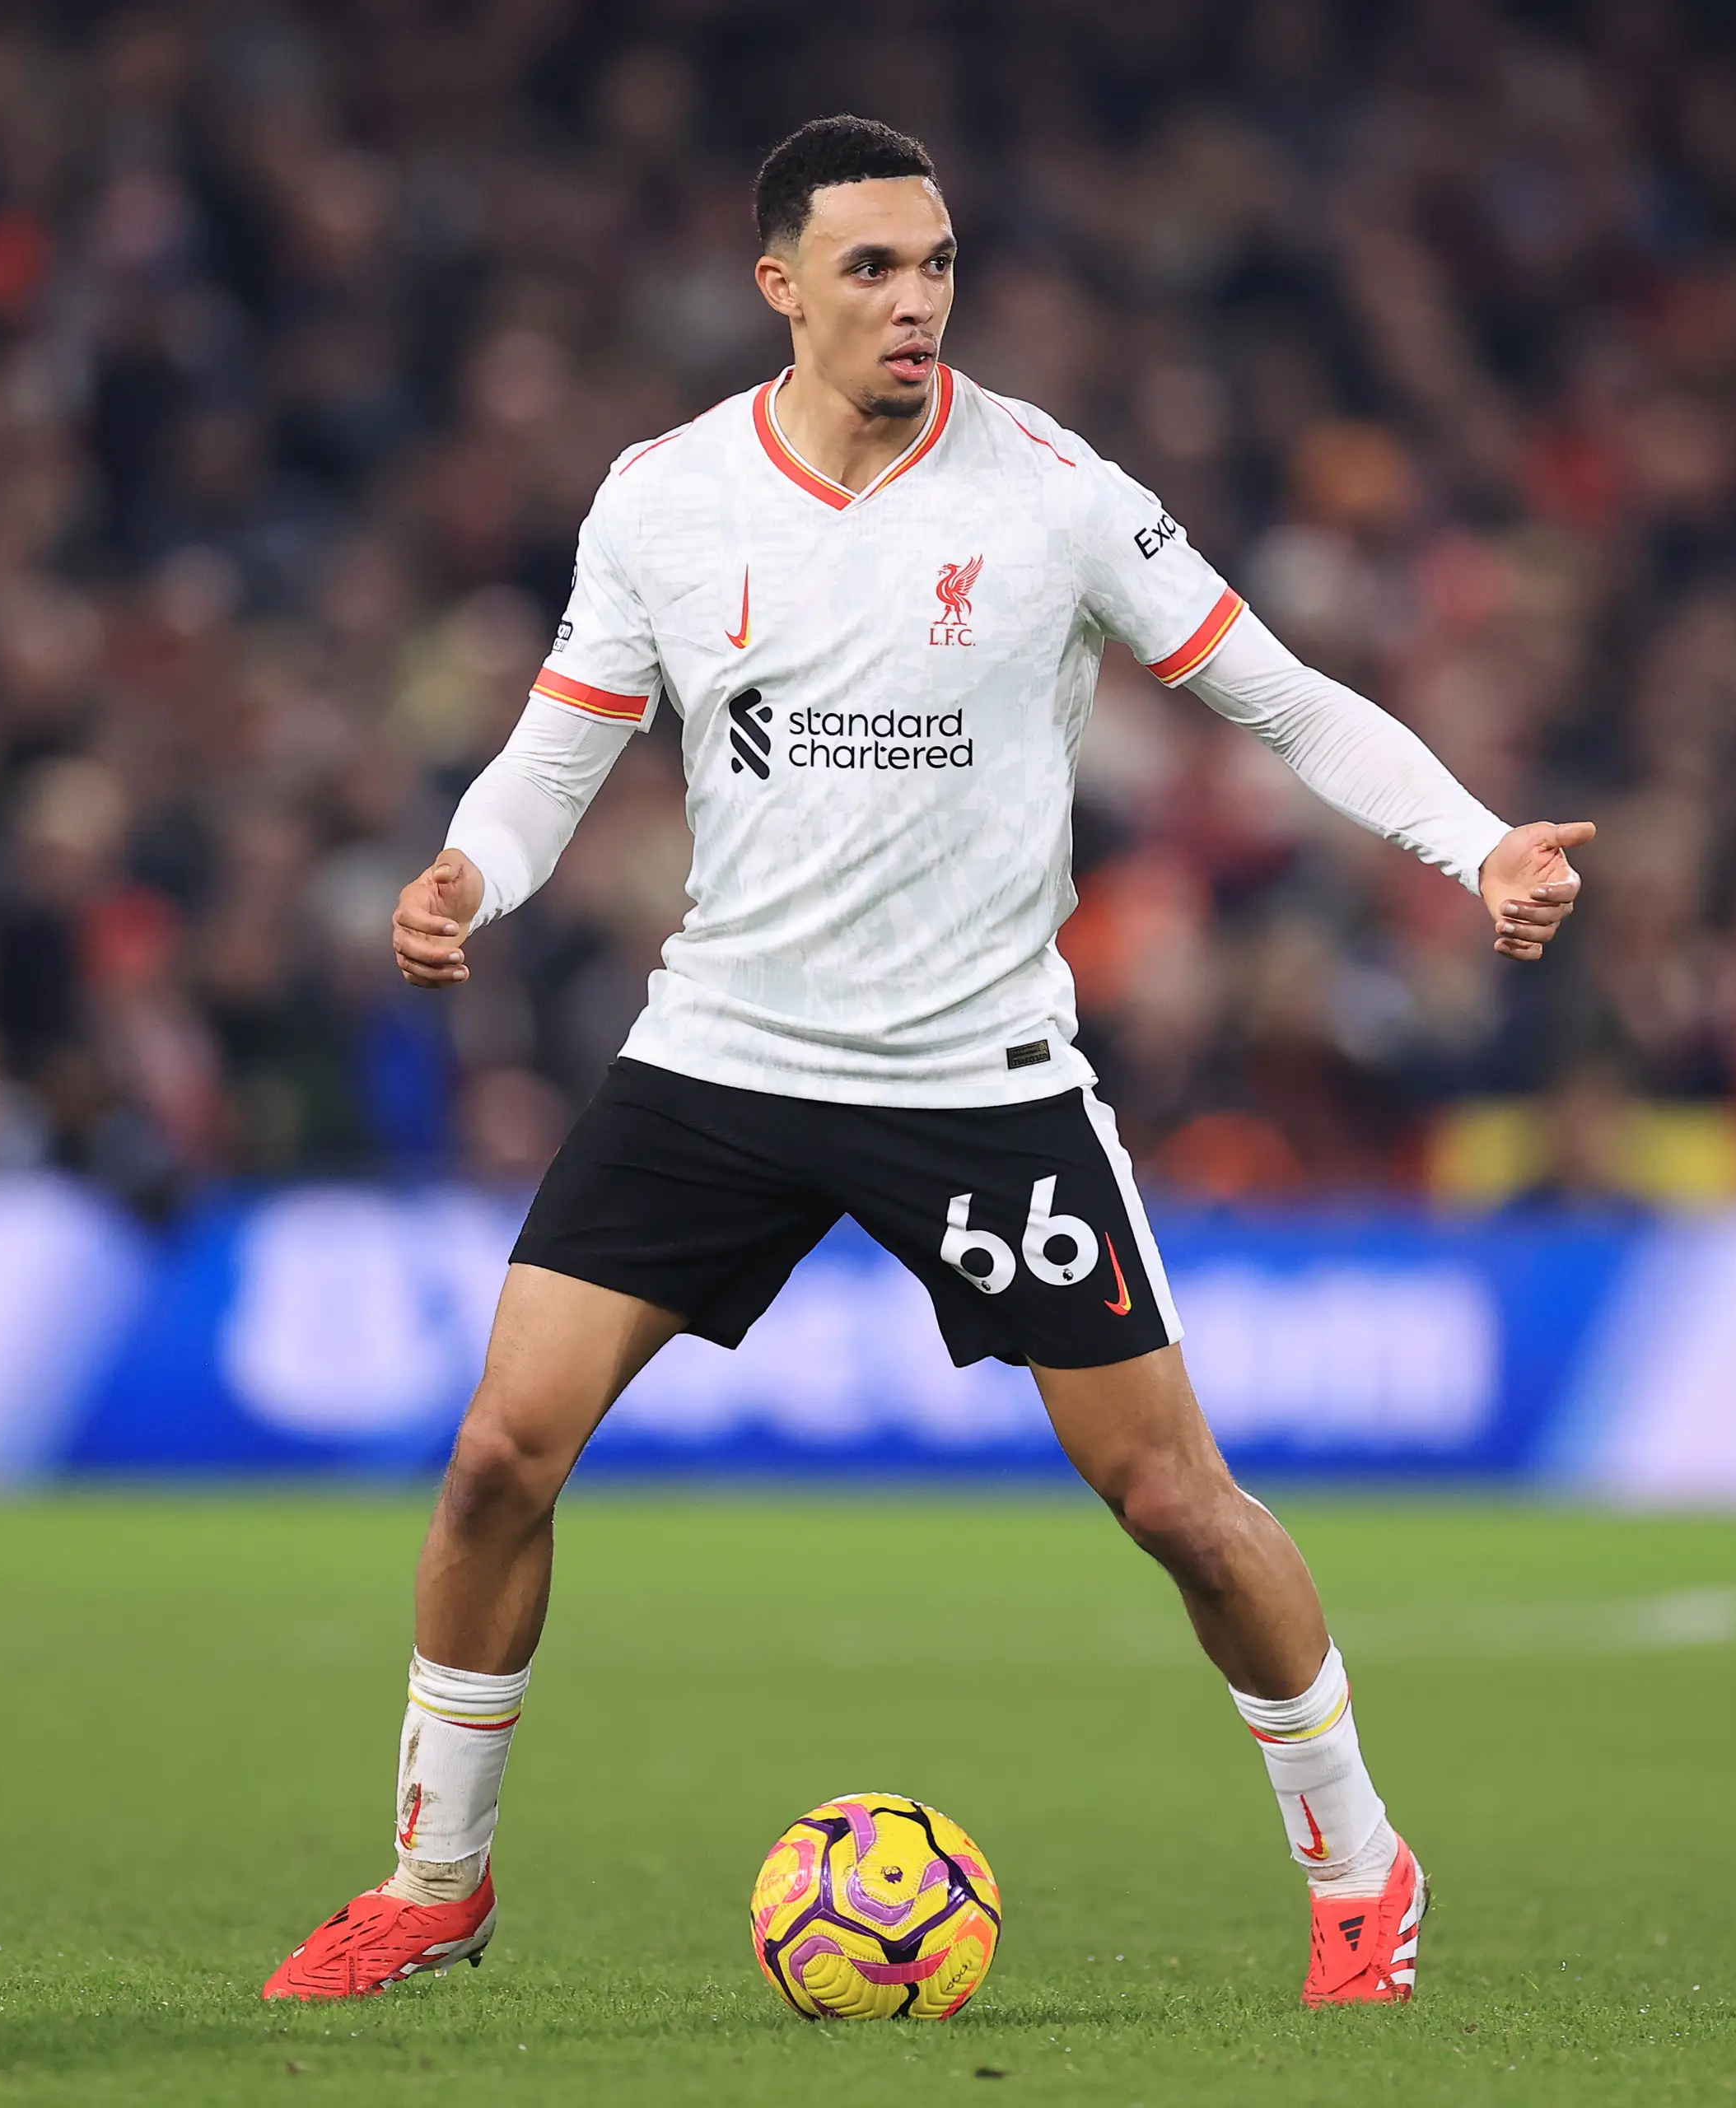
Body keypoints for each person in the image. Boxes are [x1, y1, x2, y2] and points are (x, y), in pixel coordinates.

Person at [264, 115, 1592, 2011]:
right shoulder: (662, 496)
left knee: (1175, 1504)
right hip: (722, 1050)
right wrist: (475, 867)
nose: (914, 302)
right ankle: (434, 1876)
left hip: (976, 1076)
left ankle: (1363, 1868)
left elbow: (1278, 693)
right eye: (873, 267)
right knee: (496, 1455)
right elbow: (563, 742)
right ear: (778, 286)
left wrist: (1486, 847)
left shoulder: (1051, 491)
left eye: (939, 264)